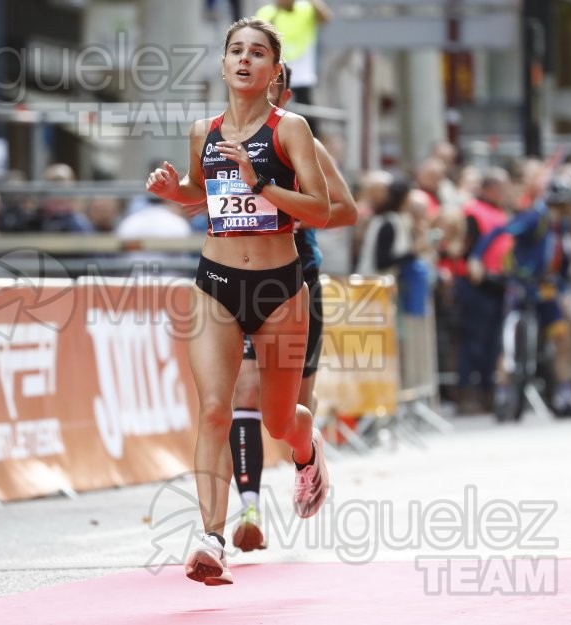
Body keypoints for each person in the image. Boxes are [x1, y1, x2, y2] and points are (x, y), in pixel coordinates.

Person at [146, 18, 331, 586]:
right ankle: (211, 537)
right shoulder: (204, 129)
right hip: (216, 282)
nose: (245, 60)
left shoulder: (290, 128)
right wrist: (174, 191)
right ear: (223, 64)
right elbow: (205, 197)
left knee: (278, 421)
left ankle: (308, 450)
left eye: (257, 53)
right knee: (213, 409)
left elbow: (321, 210)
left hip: (280, 288)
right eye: (235, 51)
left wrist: (260, 181)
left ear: (275, 70)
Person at [215, 62, 357, 553]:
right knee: (246, 391)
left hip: (297, 281)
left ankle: (306, 457)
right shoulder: (220, 140)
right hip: (240, 282)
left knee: (294, 407)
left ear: (286, 93)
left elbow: (346, 209)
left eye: (270, 86)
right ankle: (250, 509)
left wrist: (286, 208)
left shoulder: (302, 144)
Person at [468, 176, 571, 418]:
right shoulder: (534, 218)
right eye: (558, 205)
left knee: (561, 337)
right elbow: (499, 232)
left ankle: (564, 393)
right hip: (522, 285)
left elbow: (563, 262)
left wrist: (564, 289)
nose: (562, 210)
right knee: (510, 340)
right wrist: (476, 258)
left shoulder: (561, 227)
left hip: (547, 288)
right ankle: (504, 391)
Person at [455, 167, 512, 413]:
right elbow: (467, 247)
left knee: (493, 343)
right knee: (473, 341)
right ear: (490, 188)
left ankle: (488, 391)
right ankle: (467, 392)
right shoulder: (472, 211)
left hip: (498, 284)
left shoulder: (502, 213)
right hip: (477, 285)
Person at [255, 0, 332, 123]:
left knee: (307, 115)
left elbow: (326, 18)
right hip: (276, 73)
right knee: (272, 112)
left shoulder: (305, 9)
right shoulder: (266, 12)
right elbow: (258, 36)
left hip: (302, 74)